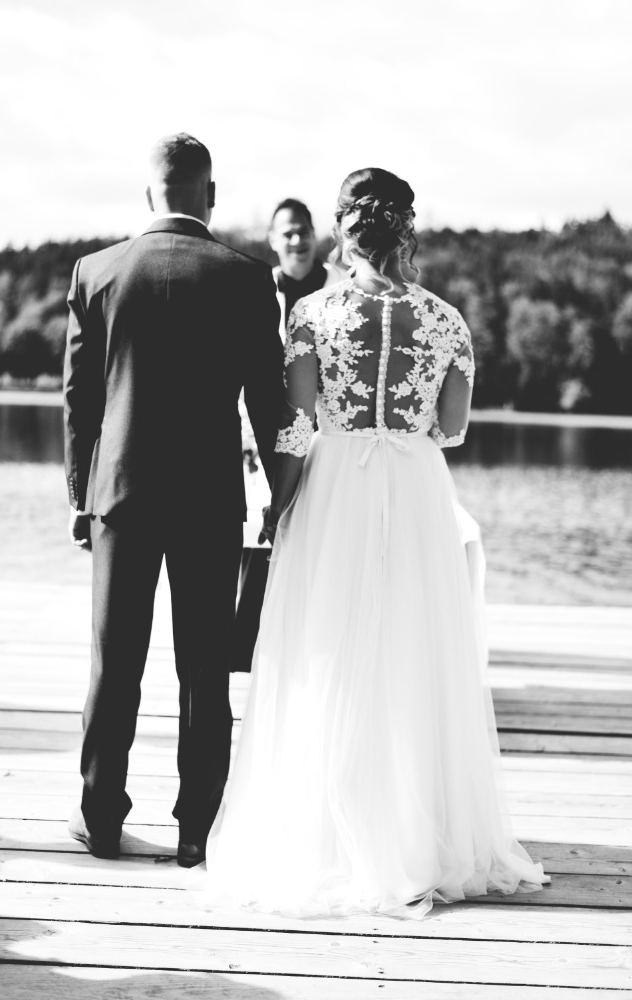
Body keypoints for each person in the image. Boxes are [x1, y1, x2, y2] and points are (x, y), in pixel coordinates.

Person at [201, 168, 548, 917]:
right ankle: (419, 836)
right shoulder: (447, 320)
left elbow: (297, 427)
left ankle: (330, 832)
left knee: (326, 645)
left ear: (342, 230)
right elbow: (452, 428)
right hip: (416, 489)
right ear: (406, 230)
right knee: (412, 647)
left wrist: (280, 506)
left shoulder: (312, 315)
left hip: (336, 488)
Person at [63, 132, 284, 868]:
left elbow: (79, 402)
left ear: (149, 194)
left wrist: (79, 496)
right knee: (205, 669)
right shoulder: (247, 278)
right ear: (209, 195)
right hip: (210, 500)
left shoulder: (97, 271)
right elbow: (268, 404)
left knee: (113, 662)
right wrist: (283, 497)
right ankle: (198, 829)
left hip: (120, 497)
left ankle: (100, 819)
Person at [232, 199, 340, 672]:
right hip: (261, 429)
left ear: (315, 235)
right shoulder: (258, 287)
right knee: (259, 532)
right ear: (273, 240)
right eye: (287, 233)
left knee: (314, 534)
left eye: (303, 231)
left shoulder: (340, 287)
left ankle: (309, 642)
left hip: (326, 432)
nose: (297, 240)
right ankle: (247, 648)